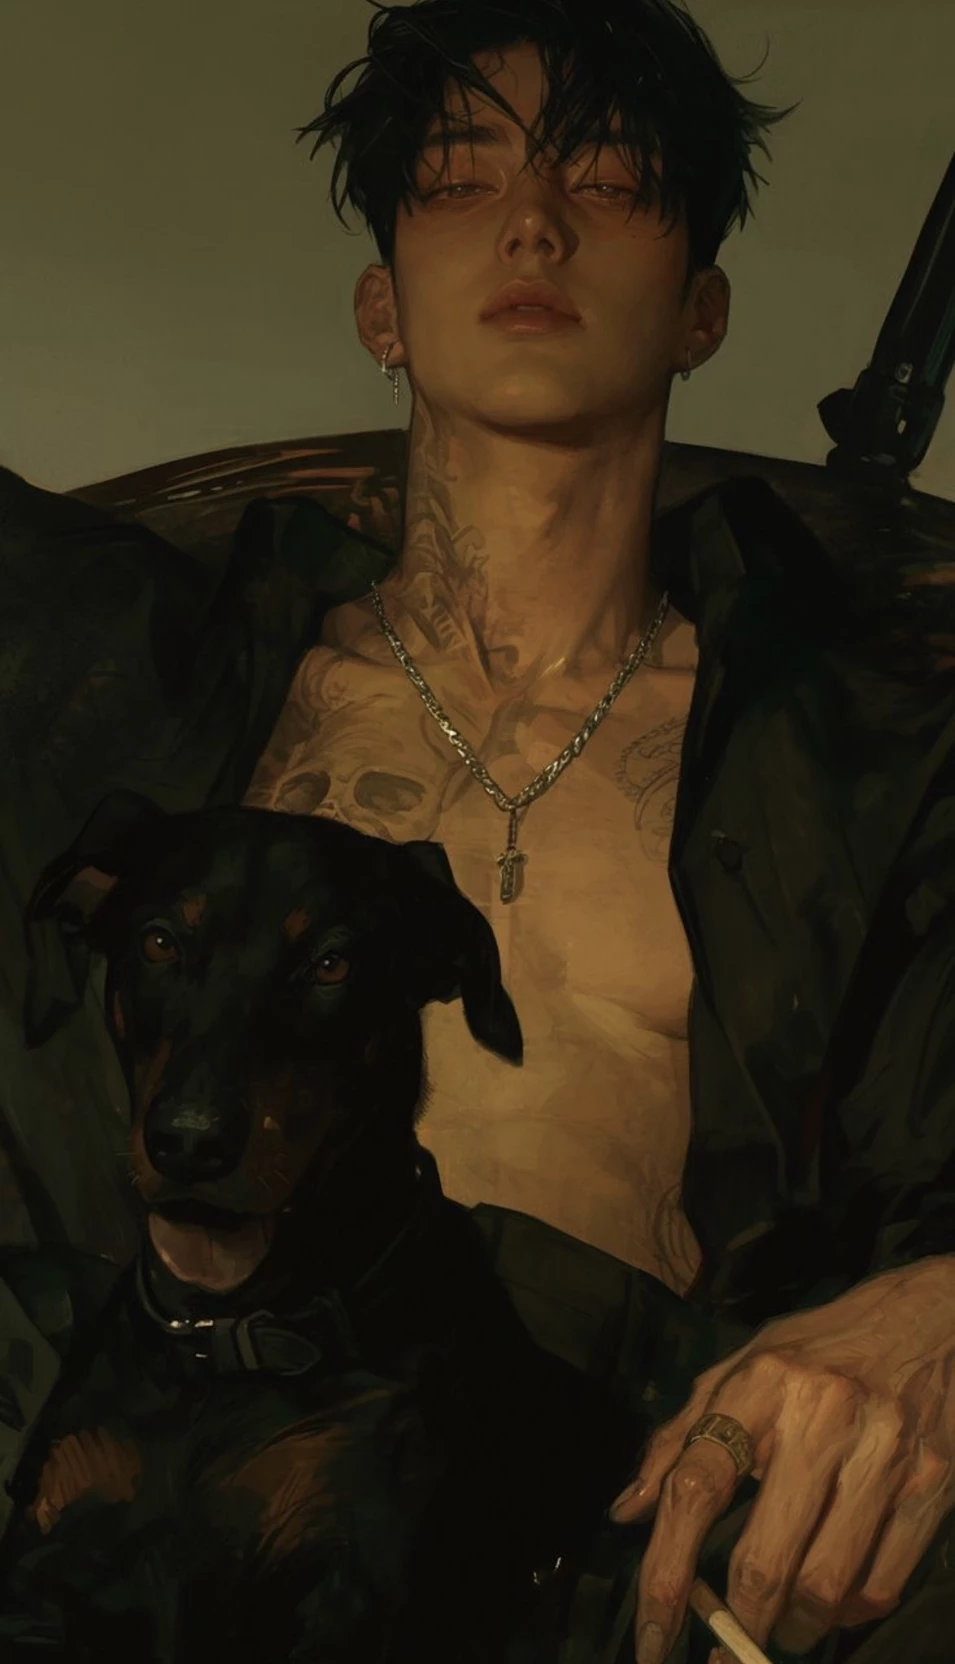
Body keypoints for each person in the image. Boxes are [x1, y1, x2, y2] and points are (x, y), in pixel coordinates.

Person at [2, 2, 955, 1660]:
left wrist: (938, 1311)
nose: (533, 225)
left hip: (601, 1552)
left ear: (704, 307)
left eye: (610, 179)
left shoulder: (857, 761)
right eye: (459, 179)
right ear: (380, 304)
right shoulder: (146, 665)